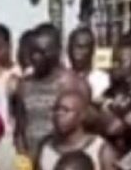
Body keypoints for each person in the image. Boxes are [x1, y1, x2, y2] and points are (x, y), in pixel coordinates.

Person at [19, 23, 89, 157]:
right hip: (31, 162)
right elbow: (21, 128)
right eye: (33, 52)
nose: (35, 57)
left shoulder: (73, 83)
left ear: (56, 51)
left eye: (41, 52)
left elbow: (85, 128)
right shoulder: (24, 85)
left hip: (65, 162)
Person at [36, 91, 117, 170]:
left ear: (82, 115)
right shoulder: (45, 148)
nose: (59, 114)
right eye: (56, 110)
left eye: (66, 110)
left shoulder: (101, 150)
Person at [68, 26, 111, 103]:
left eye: (82, 47)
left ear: (92, 50)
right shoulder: (61, 78)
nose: (76, 52)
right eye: (74, 46)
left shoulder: (102, 80)